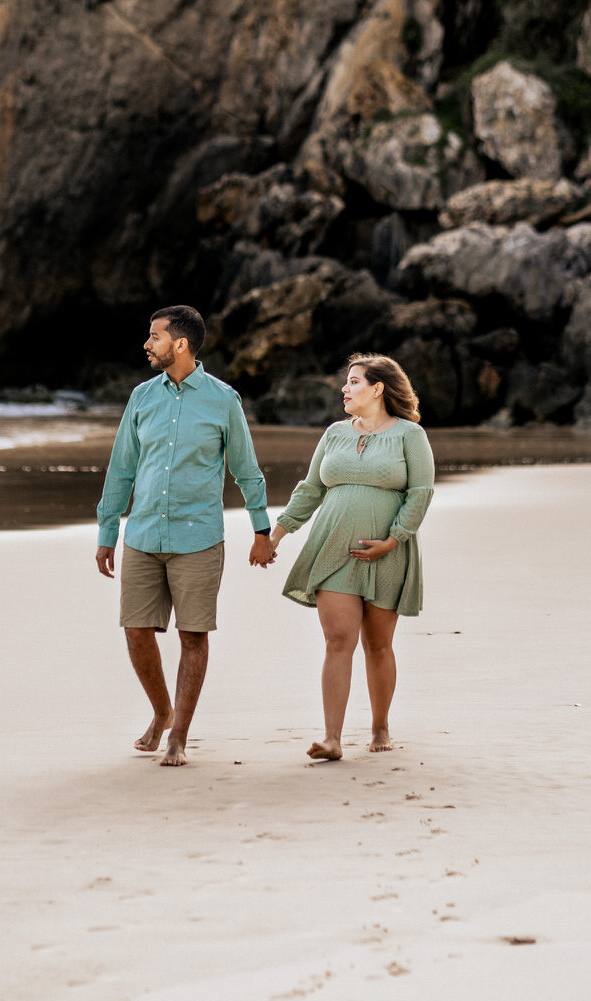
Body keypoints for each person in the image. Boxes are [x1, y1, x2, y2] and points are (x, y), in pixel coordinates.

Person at [96, 305, 275, 766]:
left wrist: (261, 530)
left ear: (180, 344)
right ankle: (162, 713)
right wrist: (107, 529)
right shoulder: (141, 398)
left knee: (193, 635)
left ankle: (179, 735)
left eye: (154, 337)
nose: (146, 345)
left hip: (198, 538)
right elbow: (122, 468)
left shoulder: (223, 400)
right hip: (143, 534)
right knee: (136, 631)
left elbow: (247, 471)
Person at [266, 354, 434, 761]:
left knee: (378, 645)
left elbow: (420, 492)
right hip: (334, 548)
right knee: (338, 640)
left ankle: (380, 726)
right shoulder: (335, 433)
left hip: (387, 552)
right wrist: (275, 536)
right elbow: (310, 489)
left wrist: (393, 540)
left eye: (354, 381)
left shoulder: (410, 435)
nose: (344, 388)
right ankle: (332, 738)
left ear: (377, 389)